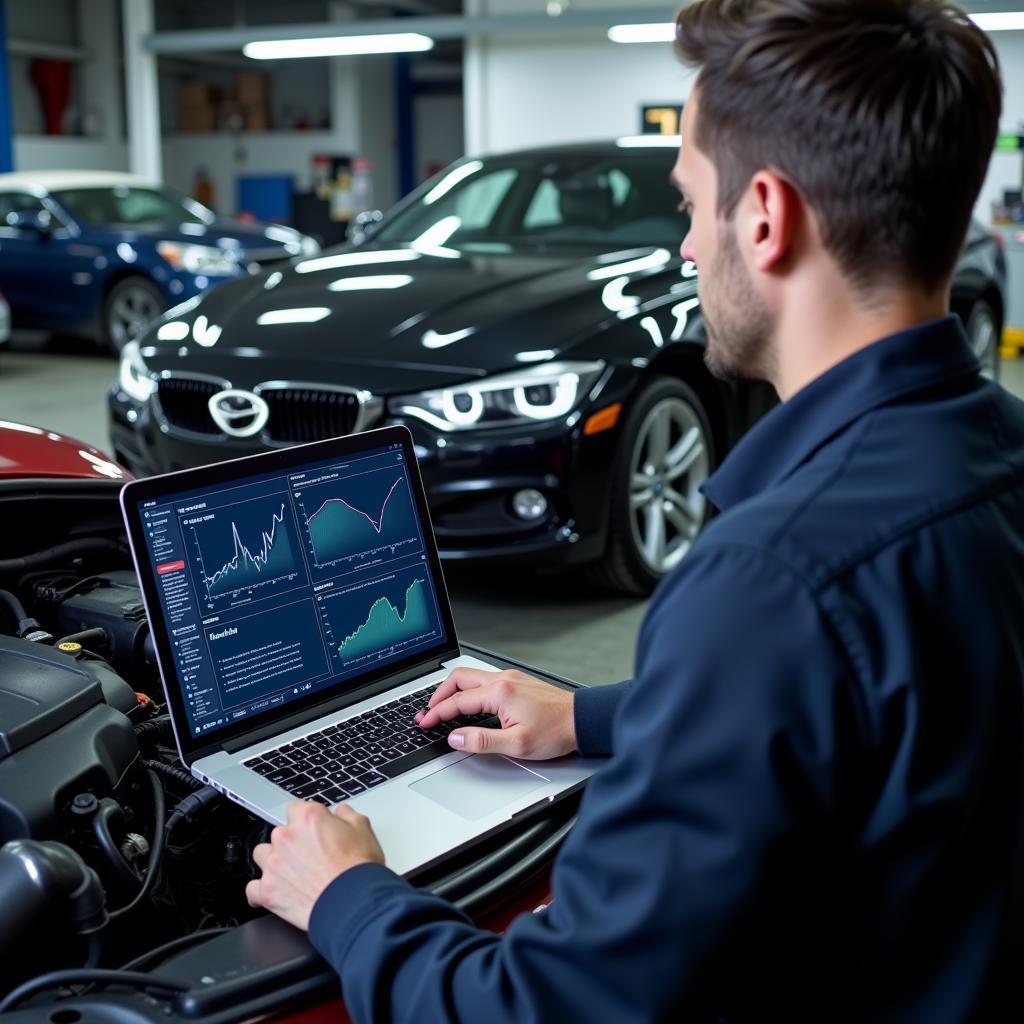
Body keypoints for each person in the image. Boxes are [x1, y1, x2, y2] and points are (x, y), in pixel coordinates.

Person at [245, 1, 1024, 1019]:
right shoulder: (998, 450)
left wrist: (345, 895)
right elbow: (894, 709)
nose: (690, 248)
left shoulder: (769, 579)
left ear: (764, 218)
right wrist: (592, 715)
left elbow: (558, 1006)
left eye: (690, 204)